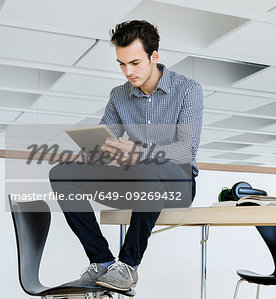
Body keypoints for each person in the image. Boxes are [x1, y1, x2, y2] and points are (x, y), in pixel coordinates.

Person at [49, 20, 203, 291]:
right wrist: (101, 151)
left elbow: (187, 150)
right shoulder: (118, 96)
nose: (127, 72)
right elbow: (105, 140)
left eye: (134, 63)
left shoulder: (188, 90)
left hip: (177, 182)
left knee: (148, 166)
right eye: (121, 64)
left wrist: (140, 153)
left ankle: (128, 266)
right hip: (136, 181)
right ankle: (103, 262)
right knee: (61, 173)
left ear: (153, 57)